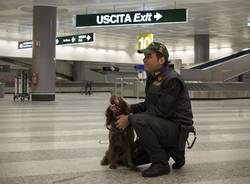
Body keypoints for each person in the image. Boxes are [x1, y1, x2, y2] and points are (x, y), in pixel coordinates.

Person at [115, 42, 193, 177]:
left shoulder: (172, 79)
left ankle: (161, 163)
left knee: (138, 120)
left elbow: (162, 111)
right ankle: (174, 152)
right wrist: (127, 108)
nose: (144, 59)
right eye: (144, 56)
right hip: (162, 126)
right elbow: (150, 104)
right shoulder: (154, 77)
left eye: (149, 56)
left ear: (161, 60)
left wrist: (130, 118)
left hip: (176, 129)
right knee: (127, 160)